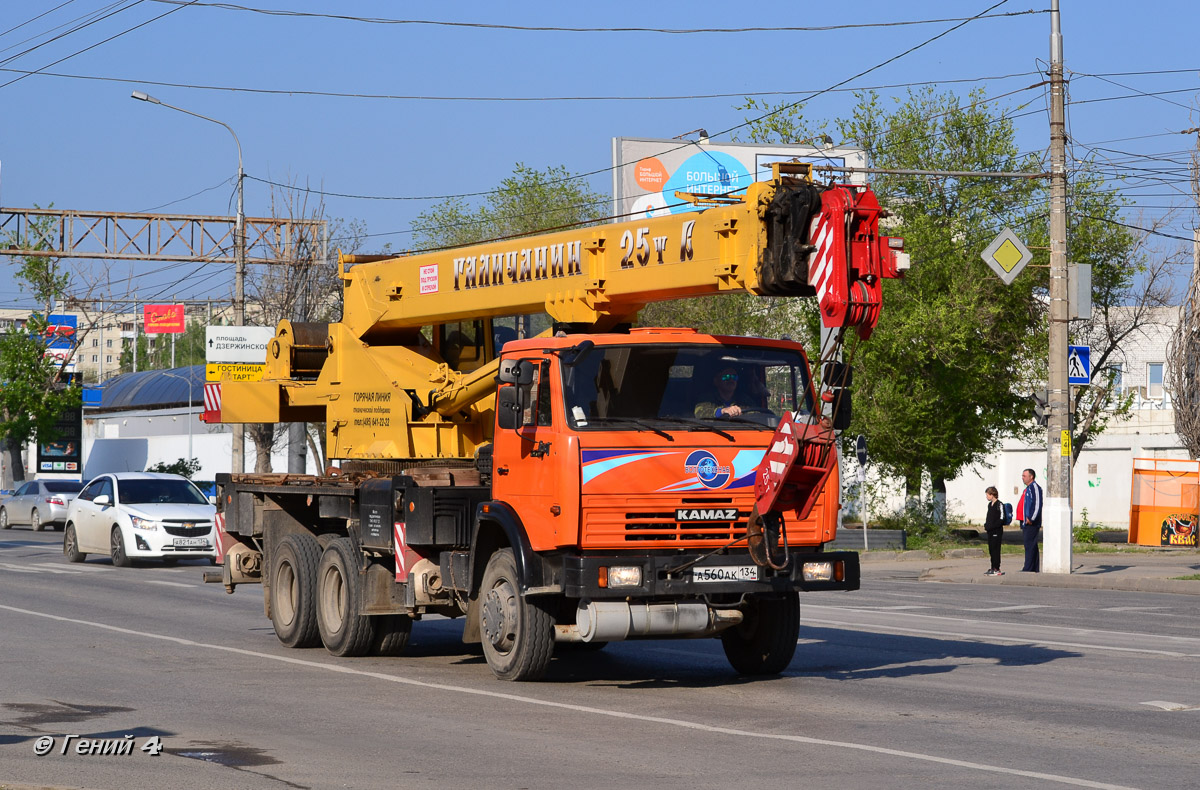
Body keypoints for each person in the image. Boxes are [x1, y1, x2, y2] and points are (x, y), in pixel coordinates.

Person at [1015, 468, 1043, 572]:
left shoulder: (1034, 487)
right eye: (1022, 476)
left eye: (1024, 476)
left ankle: (1028, 568)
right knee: (1031, 545)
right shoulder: (1027, 488)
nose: (1022, 478)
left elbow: (1037, 504)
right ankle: (1033, 568)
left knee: (1029, 545)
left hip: (1031, 522)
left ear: (1031, 477)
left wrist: (1031, 518)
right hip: (1025, 522)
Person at [983, 486, 1004, 576]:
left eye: (987, 495)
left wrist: (993, 526)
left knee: (996, 549)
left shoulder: (999, 504)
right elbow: (989, 517)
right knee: (991, 549)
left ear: (992, 495)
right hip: (990, 531)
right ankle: (992, 567)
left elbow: (1002, 518)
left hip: (996, 531)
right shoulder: (989, 505)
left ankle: (997, 568)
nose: (986, 497)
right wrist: (986, 525)